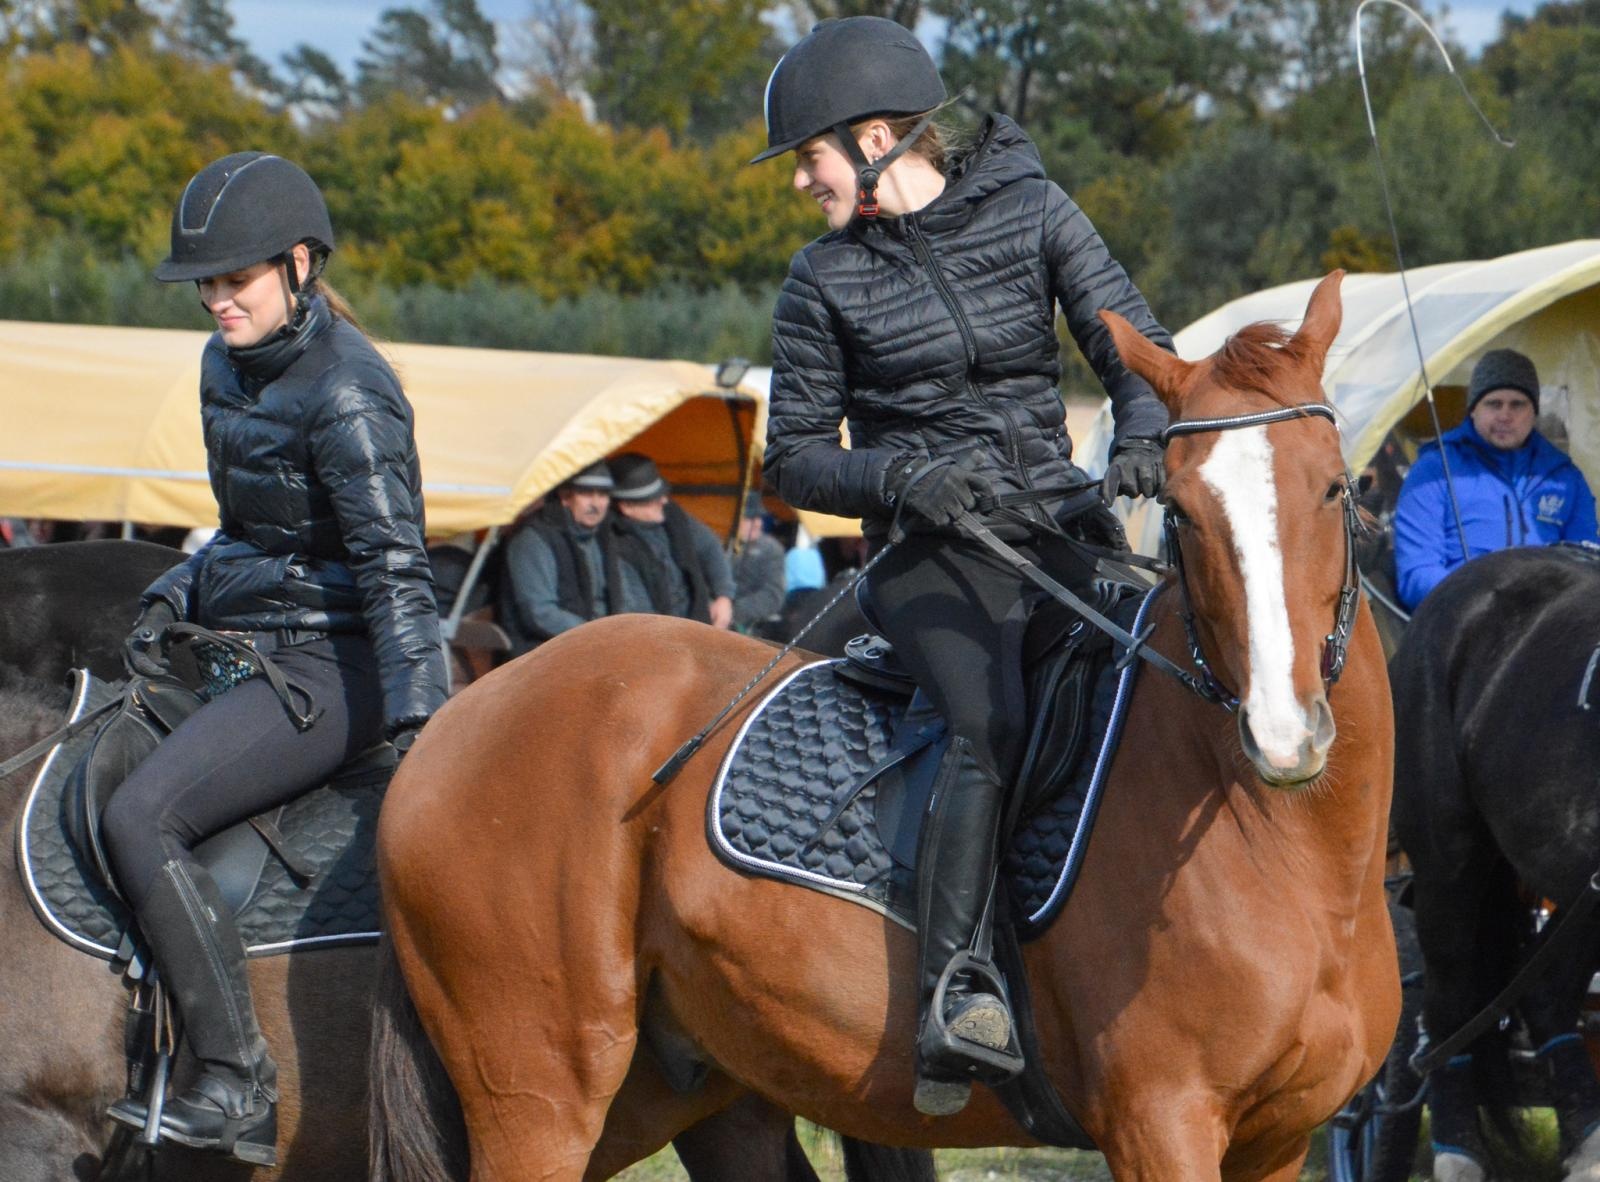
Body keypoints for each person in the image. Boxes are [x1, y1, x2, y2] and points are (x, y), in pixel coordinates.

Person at [756, 16, 1172, 1115]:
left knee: (1159, 685)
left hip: (1055, 530)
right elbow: (792, 455)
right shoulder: (819, 282)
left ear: (881, 138)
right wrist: (901, 479)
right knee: (985, 724)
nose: (803, 181)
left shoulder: (1035, 209)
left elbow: (1132, 340)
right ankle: (961, 990)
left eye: (811, 157)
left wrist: (1139, 433)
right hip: (928, 557)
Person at [98, 151, 448, 1166]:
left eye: (235, 279)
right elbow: (248, 532)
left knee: (143, 811)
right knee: (100, 754)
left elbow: (395, 569)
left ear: (299, 264)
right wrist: (181, 588)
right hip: (252, 646)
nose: (215, 300)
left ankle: (237, 1077)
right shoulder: (224, 367)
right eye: (205, 283)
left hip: (335, 671)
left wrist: (424, 723)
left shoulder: (350, 390)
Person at [1393, 348, 1598, 611]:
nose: (1505, 415)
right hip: (1460, 623)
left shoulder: (1564, 478)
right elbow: (1416, 574)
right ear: (1473, 411)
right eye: (1493, 404)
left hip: (1547, 622)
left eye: (1517, 404)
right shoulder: (1434, 471)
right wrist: (1486, 601)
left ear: (1533, 412)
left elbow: (1586, 565)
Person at [497, 461, 651, 653]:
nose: (596, 504)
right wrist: (598, 636)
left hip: (600, 641)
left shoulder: (604, 534)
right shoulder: (534, 539)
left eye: (603, 495)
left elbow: (625, 593)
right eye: (586, 494)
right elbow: (539, 613)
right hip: (546, 650)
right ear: (565, 497)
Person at [607, 453, 736, 629]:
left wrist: (724, 596)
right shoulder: (616, 544)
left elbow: (709, 546)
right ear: (627, 507)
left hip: (699, 620)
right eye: (653, 499)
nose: (664, 500)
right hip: (660, 635)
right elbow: (638, 611)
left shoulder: (673, 515)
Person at [729, 489, 787, 636]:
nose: (757, 523)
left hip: (751, 628)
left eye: (758, 517)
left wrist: (733, 611)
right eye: (749, 518)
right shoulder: (719, 544)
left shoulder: (770, 549)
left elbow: (773, 596)